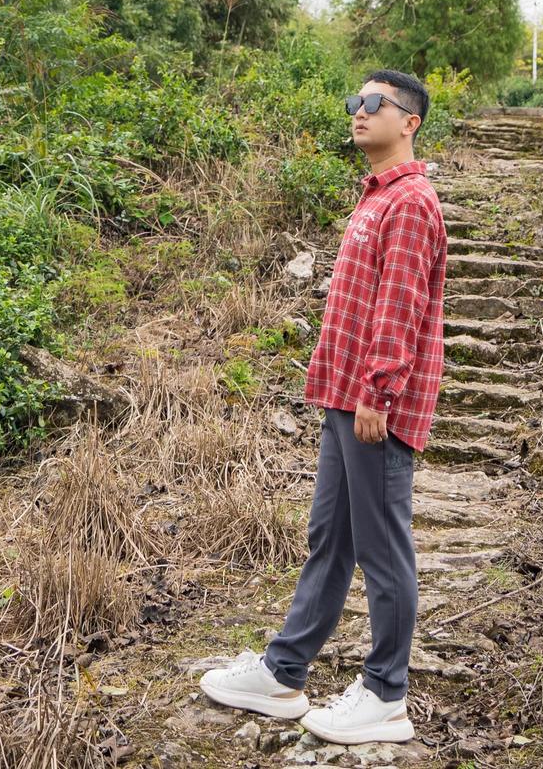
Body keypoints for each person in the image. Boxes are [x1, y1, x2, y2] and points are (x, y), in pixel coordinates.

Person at [199, 68, 447, 746]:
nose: (359, 112)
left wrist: (378, 392)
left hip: (374, 403)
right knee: (330, 540)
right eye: (355, 102)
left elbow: (400, 309)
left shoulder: (411, 202)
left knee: (383, 548)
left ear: (410, 122)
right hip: (346, 397)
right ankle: (283, 672)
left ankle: (386, 696)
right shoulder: (374, 199)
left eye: (375, 104)